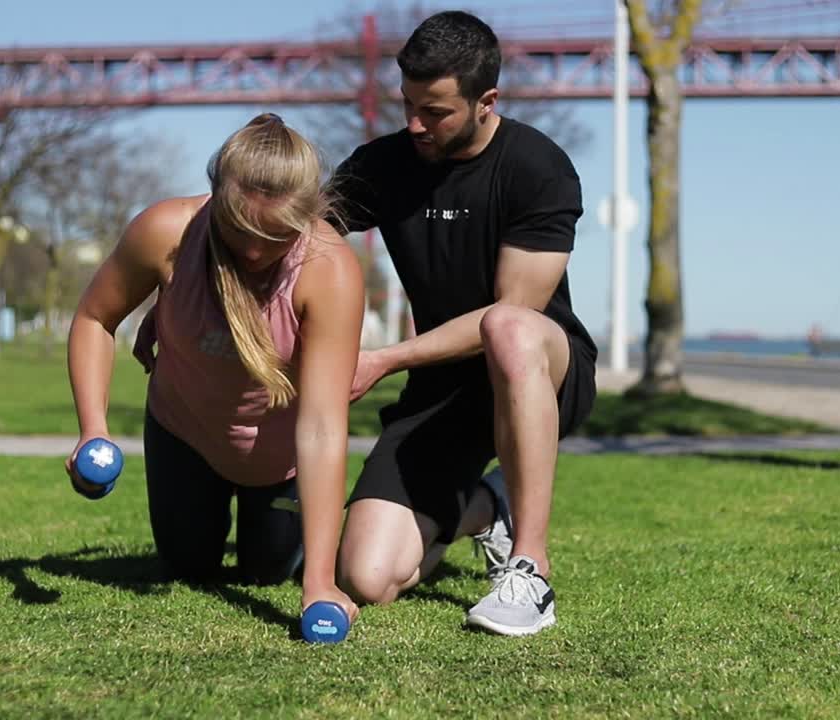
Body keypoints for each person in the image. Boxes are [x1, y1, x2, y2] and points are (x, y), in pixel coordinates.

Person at [328, 10, 598, 636]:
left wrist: (383, 358)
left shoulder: (538, 167)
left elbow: (513, 312)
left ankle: (529, 568)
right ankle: (488, 506)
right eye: (408, 105)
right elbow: (296, 236)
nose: (415, 124)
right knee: (369, 577)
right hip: (441, 388)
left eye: (436, 111)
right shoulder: (384, 164)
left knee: (507, 329)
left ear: (487, 101)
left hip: (543, 370)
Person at [67, 113, 364, 623]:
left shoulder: (329, 269)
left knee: (265, 572)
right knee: (187, 568)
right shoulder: (165, 232)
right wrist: (92, 429)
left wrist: (320, 583)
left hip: (279, 456)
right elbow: (95, 317)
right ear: (215, 198)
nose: (251, 250)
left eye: (273, 237)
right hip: (185, 431)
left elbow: (321, 426)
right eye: (238, 228)